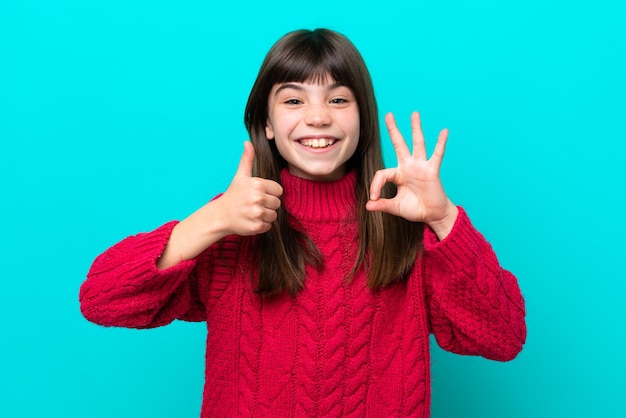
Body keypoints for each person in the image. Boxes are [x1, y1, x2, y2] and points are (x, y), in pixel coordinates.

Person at [80, 28, 526, 417]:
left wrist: (444, 219)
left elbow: (503, 337)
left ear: (362, 118)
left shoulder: (404, 225)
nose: (318, 116)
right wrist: (212, 220)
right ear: (266, 124)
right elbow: (102, 299)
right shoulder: (235, 220)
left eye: (338, 99)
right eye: (294, 99)